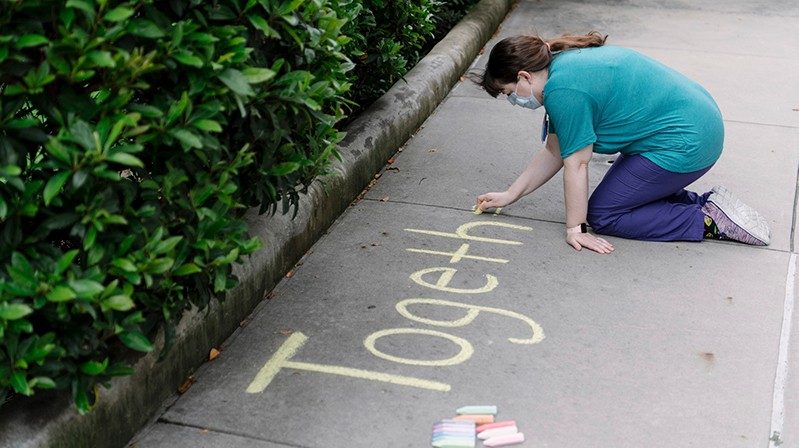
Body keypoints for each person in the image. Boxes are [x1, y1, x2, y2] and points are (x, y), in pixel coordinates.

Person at [473, 32, 770, 254]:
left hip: (687, 142)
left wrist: (576, 228)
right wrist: (510, 195)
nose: (513, 100)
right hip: (693, 124)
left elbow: (576, 163)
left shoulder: (563, 91)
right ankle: (708, 204)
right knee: (620, 194)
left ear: (524, 76)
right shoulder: (560, 66)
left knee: (605, 214)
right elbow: (555, 149)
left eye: (508, 91)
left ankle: (707, 220)